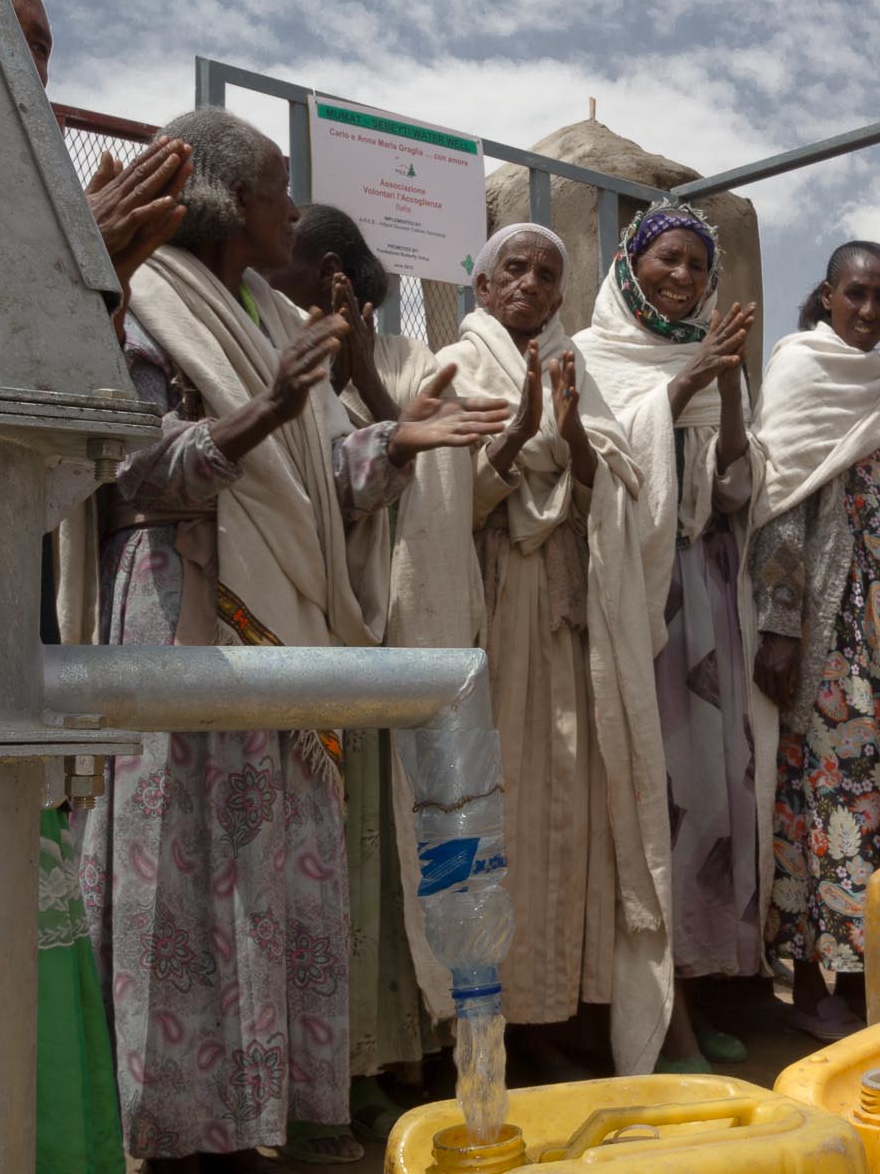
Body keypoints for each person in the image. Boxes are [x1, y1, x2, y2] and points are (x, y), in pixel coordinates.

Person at [65, 107, 506, 1169]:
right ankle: (174, 1125)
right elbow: (129, 472)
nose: (292, 209)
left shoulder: (263, 309)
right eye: (276, 188)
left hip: (279, 628)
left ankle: (262, 1119)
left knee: (273, 885)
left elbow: (312, 487)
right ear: (223, 199)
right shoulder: (147, 302)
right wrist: (266, 406)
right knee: (184, 878)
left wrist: (390, 443)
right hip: (182, 613)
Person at [3, 0, 194, 1174]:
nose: (24, 73)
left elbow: (52, 453)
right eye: (1, 40)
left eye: (42, 53)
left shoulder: (37, 221)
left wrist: (92, 285)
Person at [436, 222, 675, 1077]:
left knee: (571, 809)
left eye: (546, 274)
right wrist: (522, 430)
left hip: (572, 612)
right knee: (506, 807)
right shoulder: (455, 367)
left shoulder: (580, 373)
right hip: (499, 604)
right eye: (514, 270)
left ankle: (559, 1009)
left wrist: (567, 428)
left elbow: (612, 487)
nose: (531, 285)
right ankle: (496, 1027)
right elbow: (444, 503)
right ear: (481, 285)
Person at [259, 204, 466, 1147]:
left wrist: (366, 382)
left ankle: (382, 1056)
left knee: (376, 863)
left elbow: (396, 477)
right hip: (297, 641)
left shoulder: (362, 373)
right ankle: (327, 1073)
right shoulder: (262, 354)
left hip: (369, 640)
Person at [572, 204, 761, 1071]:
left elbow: (729, 492)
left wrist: (723, 387)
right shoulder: (588, 354)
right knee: (647, 803)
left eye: (696, 266)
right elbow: (601, 471)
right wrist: (683, 385)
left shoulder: (716, 359)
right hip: (629, 595)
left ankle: (703, 982)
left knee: (714, 804)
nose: (682, 279)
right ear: (629, 262)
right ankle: (651, 1013)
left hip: (703, 596)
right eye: (667, 261)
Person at [748, 240, 880, 1041]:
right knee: (826, 794)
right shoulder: (800, 369)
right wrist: (782, 626)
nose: (867, 309)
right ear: (827, 295)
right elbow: (782, 502)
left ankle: (873, 970)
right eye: (855, 293)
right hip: (833, 630)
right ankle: (819, 974)